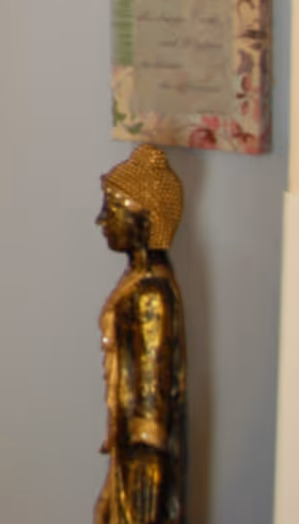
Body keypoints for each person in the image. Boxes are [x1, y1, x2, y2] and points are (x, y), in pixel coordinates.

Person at [96, 144, 186, 524]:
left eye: (111, 209)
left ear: (143, 218)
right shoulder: (140, 284)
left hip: (141, 467)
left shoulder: (151, 297)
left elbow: (150, 419)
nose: (101, 220)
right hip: (127, 456)